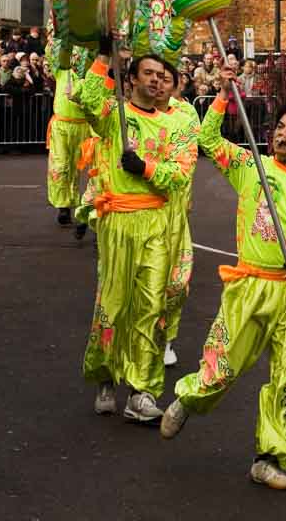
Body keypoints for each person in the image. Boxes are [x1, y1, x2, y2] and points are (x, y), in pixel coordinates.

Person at [160, 71, 286, 492]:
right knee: (222, 367)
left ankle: (270, 458)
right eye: (280, 128)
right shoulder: (251, 168)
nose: (283, 135)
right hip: (248, 288)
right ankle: (190, 397)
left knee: (285, 379)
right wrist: (225, 95)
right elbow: (208, 141)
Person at [78, 47, 198, 424]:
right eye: (147, 73)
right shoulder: (113, 116)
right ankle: (105, 379)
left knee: (151, 308)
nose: (155, 79)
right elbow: (87, 98)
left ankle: (142, 391)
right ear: (130, 79)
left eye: (161, 75)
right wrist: (102, 57)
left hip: (157, 223)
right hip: (119, 224)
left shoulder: (173, 125)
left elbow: (180, 172)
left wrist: (145, 167)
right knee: (114, 305)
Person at [154, 63, 200, 369]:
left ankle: (166, 339)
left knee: (176, 283)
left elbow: (189, 164)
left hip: (174, 213)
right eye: (152, 77)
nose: (159, 84)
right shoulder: (129, 114)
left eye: (166, 79)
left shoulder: (186, 115)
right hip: (139, 213)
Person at [46, 63, 90, 234]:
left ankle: (84, 207)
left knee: (83, 168)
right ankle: (63, 205)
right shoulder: (61, 68)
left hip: (85, 125)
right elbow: (54, 48)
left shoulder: (90, 72)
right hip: (62, 125)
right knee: (61, 165)